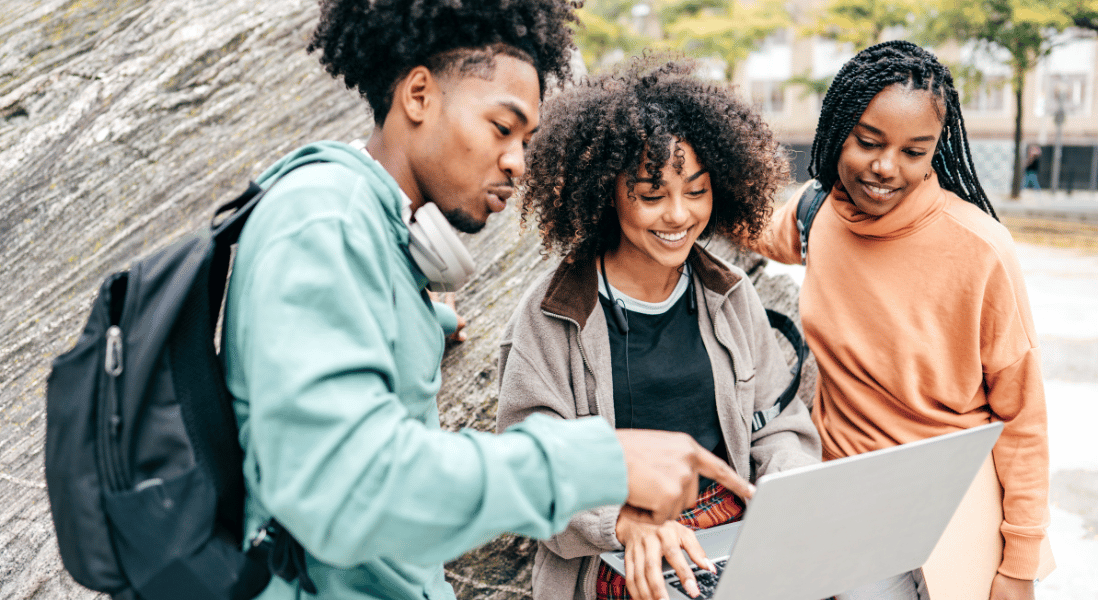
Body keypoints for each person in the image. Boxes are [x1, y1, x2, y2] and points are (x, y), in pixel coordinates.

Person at [221, 3, 753, 600]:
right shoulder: (322, 223)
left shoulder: (371, 239)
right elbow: (346, 494)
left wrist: (422, 323)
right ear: (418, 95)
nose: (517, 163)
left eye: (526, 140)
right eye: (503, 128)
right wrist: (600, 461)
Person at [496, 58, 821, 600]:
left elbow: (778, 424)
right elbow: (529, 466)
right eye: (651, 195)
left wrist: (787, 488)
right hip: (616, 547)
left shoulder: (732, 294)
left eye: (696, 191)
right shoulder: (550, 316)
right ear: (606, 192)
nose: (678, 215)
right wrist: (621, 520)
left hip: (732, 531)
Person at [752, 41, 1050, 600]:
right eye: (868, 142)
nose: (887, 167)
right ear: (838, 126)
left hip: (956, 515)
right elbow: (738, 222)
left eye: (916, 151)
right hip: (849, 511)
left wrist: (1019, 564)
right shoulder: (816, 214)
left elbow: (1023, 418)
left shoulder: (981, 248)